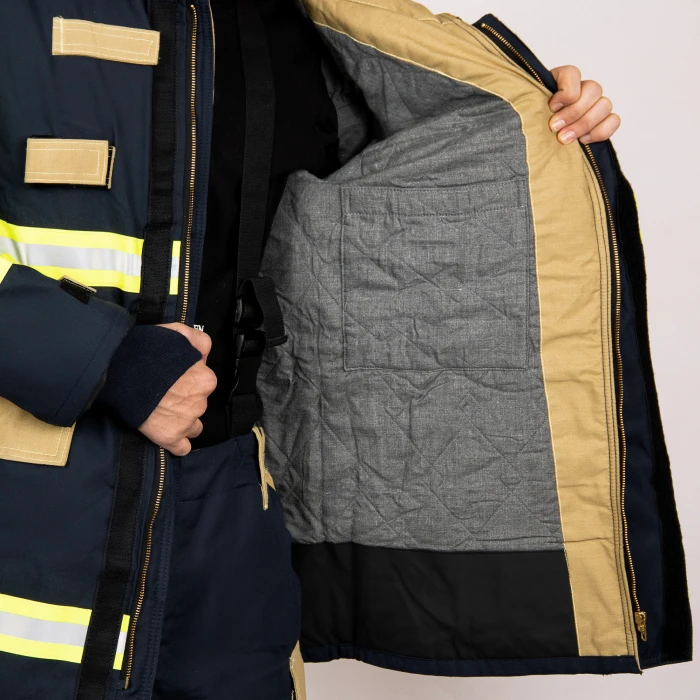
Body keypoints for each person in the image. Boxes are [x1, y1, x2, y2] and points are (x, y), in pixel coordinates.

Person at [0, 1, 630, 699]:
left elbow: (369, 202)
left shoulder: (297, 22)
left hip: (232, 506)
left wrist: (527, 119)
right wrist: (107, 364)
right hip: (36, 500)